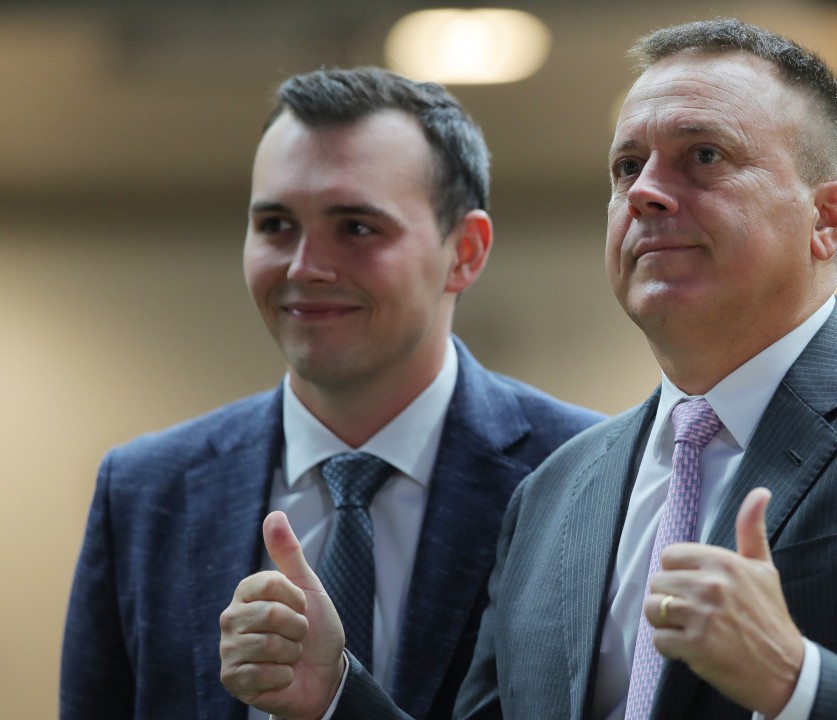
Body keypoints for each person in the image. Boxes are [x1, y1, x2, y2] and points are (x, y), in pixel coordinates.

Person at [223, 19, 837, 720]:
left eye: (703, 157)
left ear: (828, 221)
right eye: (626, 166)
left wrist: (798, 686)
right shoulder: (557, 489)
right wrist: (337, 695)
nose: (644, 190)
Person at [60, 67, 602, 720]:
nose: (304, 267)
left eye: (356, 228)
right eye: (276, 225)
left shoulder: (583, 475)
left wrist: (337, 701)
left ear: (465, 251)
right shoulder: (146, 492)